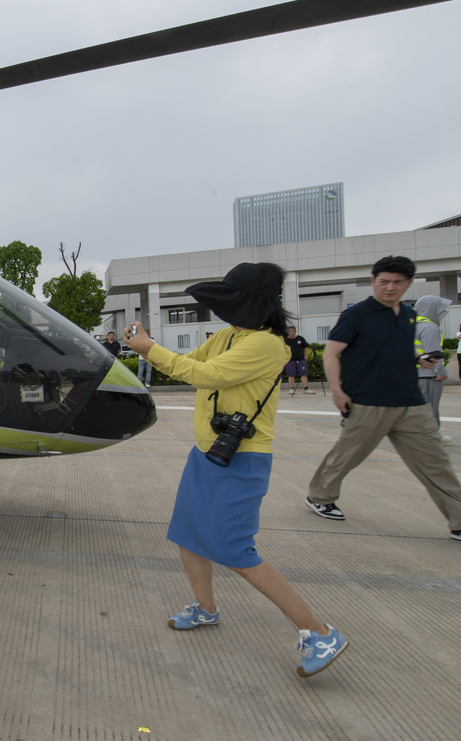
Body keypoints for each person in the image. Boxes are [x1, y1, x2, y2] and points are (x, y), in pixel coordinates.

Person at [125, 263, 348, 677]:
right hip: (208, 452)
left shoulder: (265, 344)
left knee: (235, 550)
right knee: (187, 533)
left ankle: (319, 632)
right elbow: (188, 360)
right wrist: (149, 347)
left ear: (250, 305)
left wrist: (147, 349)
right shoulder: (231, 334)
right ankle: (206, 609)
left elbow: (203, 375)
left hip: (242, 459)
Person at [304, 256, 461, 544]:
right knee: (347, 456)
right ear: (373, 281)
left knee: (436, 463)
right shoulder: (358, 314)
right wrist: (337, 391)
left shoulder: (407, 314)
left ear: (408, 284)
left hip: (411, 402)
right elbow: (330, 353)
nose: (390, 287)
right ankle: (320, 496)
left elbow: (397, 347)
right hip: (368, 401)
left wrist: (420, 358)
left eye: (398, 282)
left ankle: (460, 521)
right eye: (384, 281)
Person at [414, 295, 451, 443]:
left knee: (421, 408)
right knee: (430, 408)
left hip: (416, 374)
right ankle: (432, 437)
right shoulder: (430, 328)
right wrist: (441, 372)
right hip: (428, 374)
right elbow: (433, 355)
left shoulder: (412, 325)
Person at [283, 326, 314, 395]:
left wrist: (305, 356)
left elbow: (306, 347)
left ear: (295, 331)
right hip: (290, 360)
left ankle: (306, 388)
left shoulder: (300, 338)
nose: (291, 333)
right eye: (290, 331)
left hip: (300, 360)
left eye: (293, 331)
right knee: (291, 374)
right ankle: (292, 388)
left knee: (304, 374)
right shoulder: (285, 340)